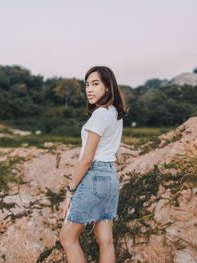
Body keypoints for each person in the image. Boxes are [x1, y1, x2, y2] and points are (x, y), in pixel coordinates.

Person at [59, 66, 128, 263]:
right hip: (110, 177)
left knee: (67, 237)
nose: (89, 89)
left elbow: (87, 158)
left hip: (95, 176)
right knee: (105, 239)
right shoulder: (115, 112)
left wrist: (70, 191)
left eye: (95, 84)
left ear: (108, 87)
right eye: (87, 85)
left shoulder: (100, 114)